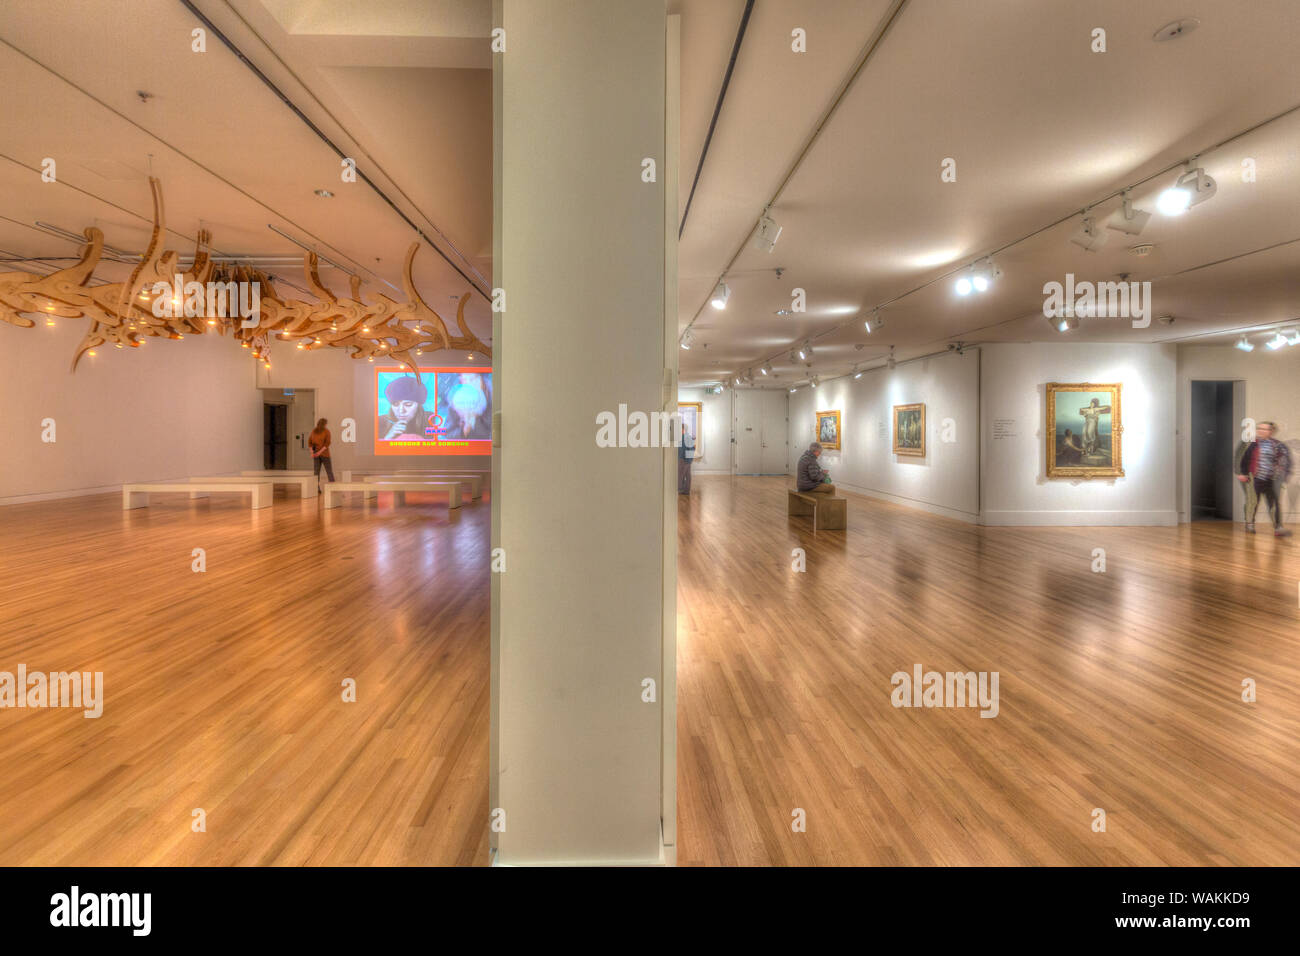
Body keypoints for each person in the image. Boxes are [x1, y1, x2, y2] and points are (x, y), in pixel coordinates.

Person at [1236, 420, 1292, 536]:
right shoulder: (1253, 443)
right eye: (1259, 428)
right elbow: (1245, 459)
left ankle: (1278, 528)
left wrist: (1284, 475)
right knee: (1253, 502)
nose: (1260, 431)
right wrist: (1243, 473)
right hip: (1255, 477)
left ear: (1271, 431)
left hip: (1271, 479)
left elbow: (1286, 461)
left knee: (1274, 503)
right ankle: (1250, 524)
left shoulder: (1278, 445)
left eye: (1264, 429)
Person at [378, 376, 430, 441]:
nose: (401, 411)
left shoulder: (432, 421)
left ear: (419, 406)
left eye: (408, 405)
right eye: (395, 404)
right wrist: (387, 438)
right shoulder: (379, 422)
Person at [308, 417, 335, 486]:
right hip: (325, 454)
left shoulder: (314, 431)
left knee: (316, 472)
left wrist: (312, 453)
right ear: (324, 424)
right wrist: (319, 452)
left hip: (315, 454)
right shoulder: (326, 431)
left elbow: (310, 442)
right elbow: (327, 443)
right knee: (329, 471)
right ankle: (332, 487)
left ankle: (315, 488)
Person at [678, 426, 695, 495]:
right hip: (688, 459)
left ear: (683, 429)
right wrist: (690, 460)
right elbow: (692, 448)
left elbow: (682, 450)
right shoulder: (688, 437)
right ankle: (686, 490)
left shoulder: (683, 437)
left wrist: (686, 459)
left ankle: (681, 489)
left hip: (683, 459)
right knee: (687, 475)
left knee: (681, 475)